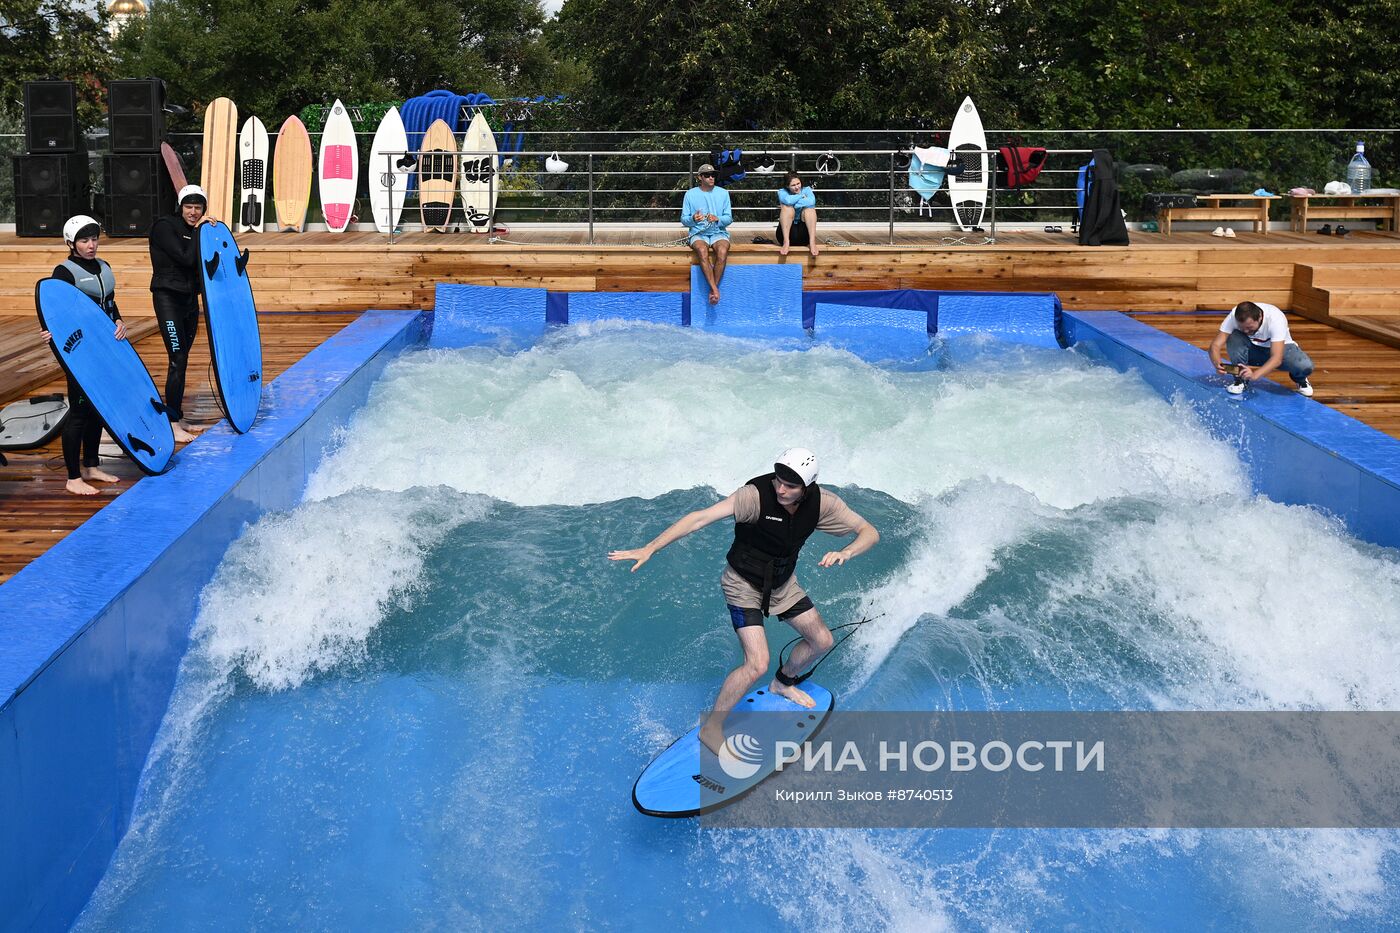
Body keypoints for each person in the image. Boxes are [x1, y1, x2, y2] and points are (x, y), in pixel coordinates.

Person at [609, 448, 880, 755]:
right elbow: (700, 518)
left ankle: (783, 682)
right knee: (756, 663)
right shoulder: (755, 496)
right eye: (778, 480)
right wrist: (650, 548)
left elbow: (868, 531)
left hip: (782, 585)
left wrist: (846, 552)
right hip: (742, 585)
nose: (780, 489)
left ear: (808, 486)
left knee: (821, 640)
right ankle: (711, 727)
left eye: (790, 486)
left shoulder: (822, 504)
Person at [42, 215, 126, 496]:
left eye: (94, 239)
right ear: (71, 243)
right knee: (78, 413)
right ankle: (73, 476)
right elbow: (53, 309)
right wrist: (49, 332)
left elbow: (110, 304)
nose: (91, 245)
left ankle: (91, 465)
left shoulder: (104, 266)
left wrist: (119, 321)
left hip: (103, 349)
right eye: (84, 240)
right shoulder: (64, 272)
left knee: (97, 409)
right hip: (79, 352)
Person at [149, 184, 210, 442]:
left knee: (182, 358)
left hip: (189, 301)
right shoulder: (165, 226)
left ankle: (177, 415)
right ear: (180, 207)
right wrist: (200, 230)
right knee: (177, 358)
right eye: (189, 207)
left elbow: (205, 263)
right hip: (168, 299)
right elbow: (186, 258)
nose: (193, 212)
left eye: (198, 208)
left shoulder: (195, 231)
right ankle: (172, 421)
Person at [1210, 301, 1315, 397]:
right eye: (1242, 328)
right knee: (1234, 337)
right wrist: (1217, 364)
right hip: (1253, 350)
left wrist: (1255, 375)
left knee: (1304, 366)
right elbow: (1215, 345)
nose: (1246, 331)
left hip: (1279, 351)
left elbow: (1277, 358)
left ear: (1260, 317)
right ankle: (1240, 380)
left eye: (1250, 327)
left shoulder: (1275, 318)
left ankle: (1300, 379)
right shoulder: (1234, 315)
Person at [681, 164, 732, 305]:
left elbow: (729, 218)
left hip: (718, 232)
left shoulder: (723, 193)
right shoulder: (690, 194)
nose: (711, 177)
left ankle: (712, 289)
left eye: (713, 175)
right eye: (707, 175)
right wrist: (693, 219)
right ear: (700, 177)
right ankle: (715, 289)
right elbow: (684, 219)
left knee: (722, 251)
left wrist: (718, 219)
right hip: (698, 233)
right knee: (702, 251)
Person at [777, 172, 819, 258]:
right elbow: (787, 201)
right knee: (787, 208)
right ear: (787, 186)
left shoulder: (807, 189)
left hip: (803, 235)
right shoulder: (782, 192)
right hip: (787, 233)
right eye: (793, 185)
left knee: (809, 209)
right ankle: (786, 243)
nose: (797, 187)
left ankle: (812, 243)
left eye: (798, 183)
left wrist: (794, 204)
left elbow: (812, 202)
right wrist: (801, 196)